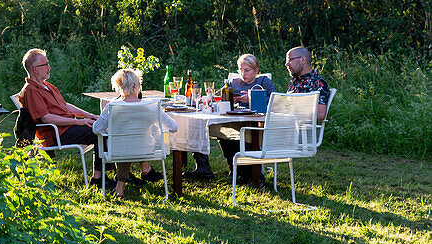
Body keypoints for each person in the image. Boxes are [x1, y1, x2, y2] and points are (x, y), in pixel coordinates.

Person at [185, 53, 276, 181]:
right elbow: (220, 97)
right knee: (215, 130)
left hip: (255, 122)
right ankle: (233, 169)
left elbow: (275, 100)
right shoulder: (234, 82)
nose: (243, 74)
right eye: (241, 70)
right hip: (233, 120)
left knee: (241, 135)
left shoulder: (263, 81)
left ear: (256, 71)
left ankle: (251, 173)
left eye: (247, 70)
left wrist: (251, 98)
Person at [18, 48, 104, 183]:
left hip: (67, 127)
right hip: (57, 133)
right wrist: (79, 122)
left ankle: (114, 175)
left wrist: (89, 115)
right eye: (45, 64)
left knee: (103, 127)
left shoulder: (47, 86)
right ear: (35, 69)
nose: (49, 67)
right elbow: (46, 118)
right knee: (100, 132)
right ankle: (99, 179)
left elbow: (64, 106)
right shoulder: (31, 90)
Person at [92, 68, 178, 198]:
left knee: (124, 145)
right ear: (138, 86)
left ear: (118, 87)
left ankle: (120, 189)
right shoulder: (151, 106)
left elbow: (96, 129)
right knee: (130, 144)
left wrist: (110, 129)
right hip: (145, 149)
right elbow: (174, 127)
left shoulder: (112, 106)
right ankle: (132, 179)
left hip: (118, 151)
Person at [285, 46, 330, 122]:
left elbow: (320, 115)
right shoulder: (294, 81)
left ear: (303, 60)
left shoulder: (318, 83)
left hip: (302, 130)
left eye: (290, 60)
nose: (287, 64)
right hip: (287, 126)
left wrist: (293, 110)